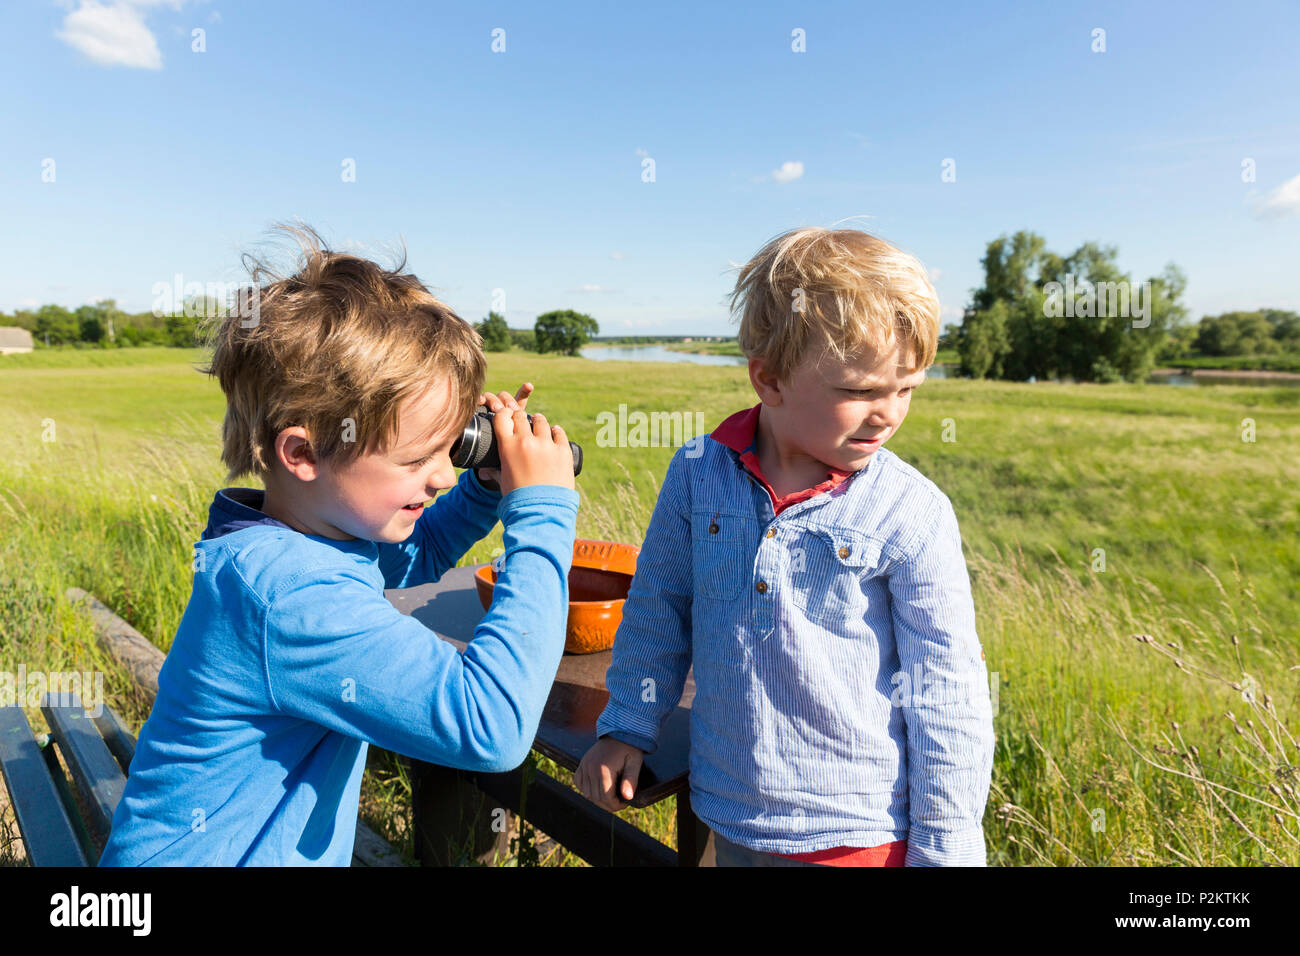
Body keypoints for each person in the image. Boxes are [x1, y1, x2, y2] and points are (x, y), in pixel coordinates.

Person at [99, 224, 578, 865]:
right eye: (417, 459)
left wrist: (484, 490)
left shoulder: (289, 542)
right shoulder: (293, 596)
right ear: (303, 452)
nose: (441, 475)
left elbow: (409, 558)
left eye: (452, 447)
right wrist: (540, 510)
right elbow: (489, 725)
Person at [575, 227, 995, 866]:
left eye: (905, 388)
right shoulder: (698, 473)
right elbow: (660, 607)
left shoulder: (912, 511)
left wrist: (947, 842)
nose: (888, 413)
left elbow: (945, 686)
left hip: (860, 830)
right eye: (859, 391)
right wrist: (628, 726)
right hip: (729, 808)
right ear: (768, 381)